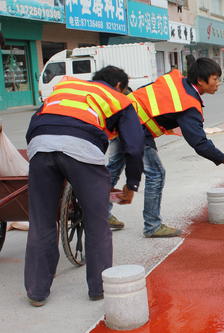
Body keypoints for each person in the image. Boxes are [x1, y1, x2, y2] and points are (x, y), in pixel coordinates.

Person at [24, 66, 144, 307]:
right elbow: (134, 146)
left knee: (41, 221)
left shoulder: (66, 88)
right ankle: (98, 288)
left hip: (40, 145)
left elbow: (36, 122)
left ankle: (36, 292)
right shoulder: (120, 99)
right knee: (96, 220)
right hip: (82, 150)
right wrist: (131, 184)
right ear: (119, 85)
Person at [107, 57, 224, 238]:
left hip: (121, 114)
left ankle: (97, 210)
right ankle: (152, 225)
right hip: (135, 127)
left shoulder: (176, 79)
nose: (218, 83)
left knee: (114, 168)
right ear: (201, 81)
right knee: (156, 173)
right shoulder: (187, 104)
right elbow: (199, 143)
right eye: (215, 79)